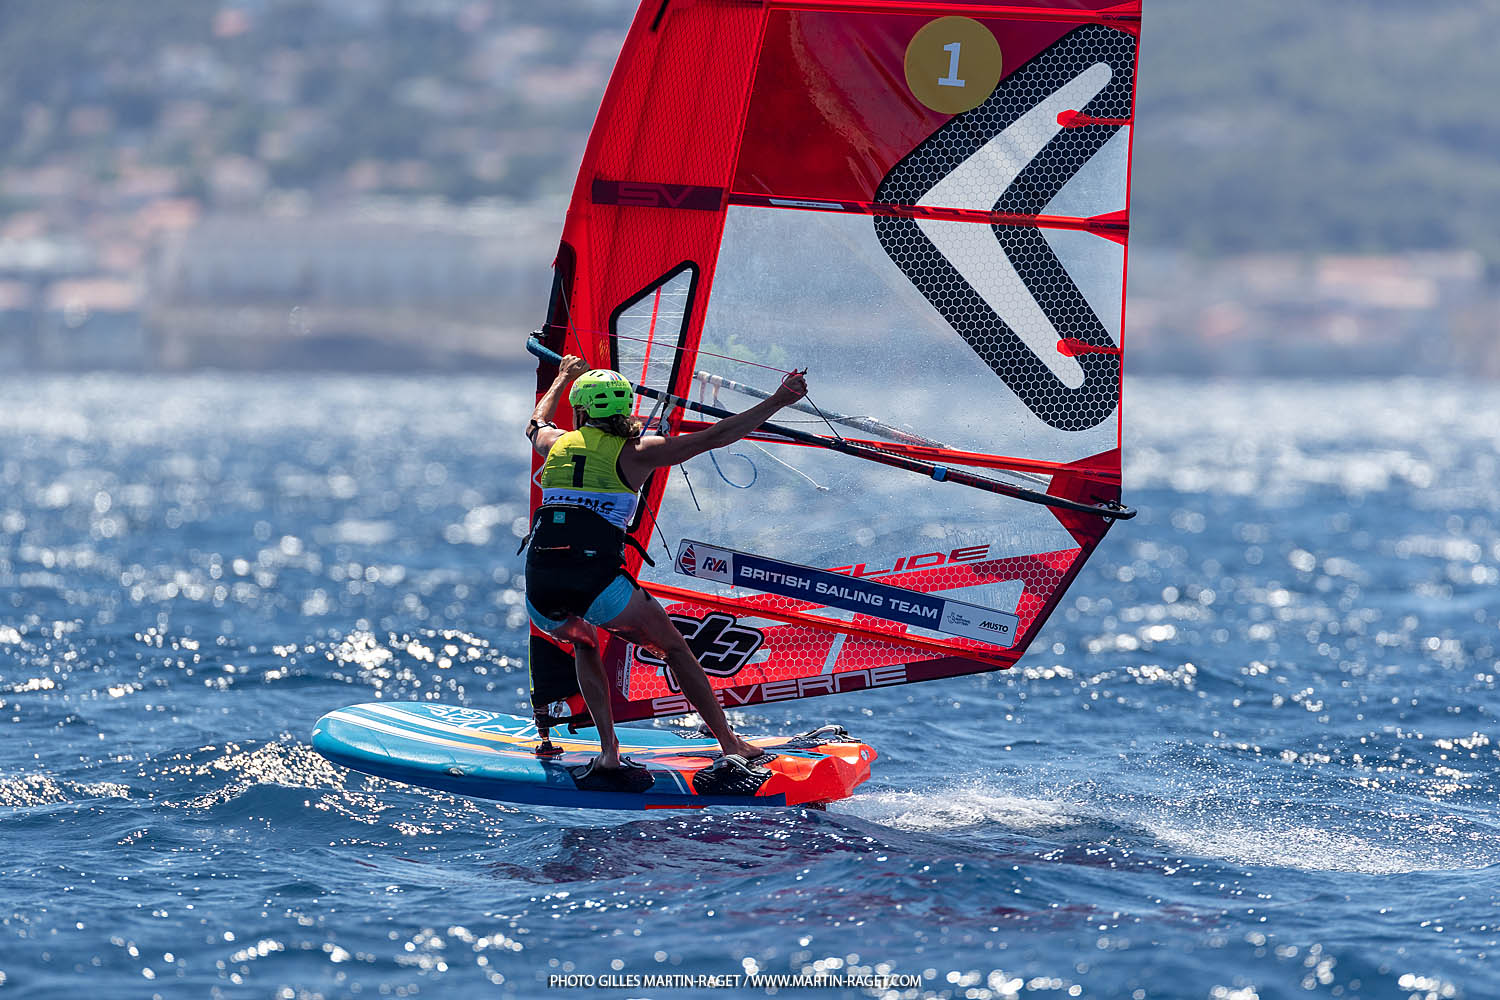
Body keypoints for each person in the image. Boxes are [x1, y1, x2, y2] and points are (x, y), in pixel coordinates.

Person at [523, 354, 808, 783]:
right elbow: (720, 435)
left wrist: (563, 375)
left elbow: (536, 421)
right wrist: (778, 401)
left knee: (583, 640)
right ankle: (731, 745)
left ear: (581, 411)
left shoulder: (555, 443)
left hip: (540, 581)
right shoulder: (637, 451)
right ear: (625, 410)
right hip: (595, 579)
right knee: (674, 649)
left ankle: (609, 753)